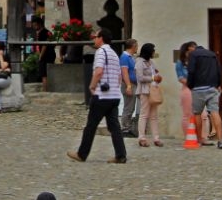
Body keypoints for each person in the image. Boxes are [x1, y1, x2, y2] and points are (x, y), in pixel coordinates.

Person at [67, 28, 127, 164]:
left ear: (101, 38)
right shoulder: (114, 53)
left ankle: (82, 154)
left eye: (95, 36)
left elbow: (99, 71)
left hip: (102, 96)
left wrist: (92, 86)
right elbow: (119, 76)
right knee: (114, 126)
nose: (94, 39)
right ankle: (121, 155)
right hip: (114, 96)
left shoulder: (101, 52)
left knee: (91, 126)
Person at [187, 42, 222, 148]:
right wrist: (217, 84)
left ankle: (199, 139)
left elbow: (191, 71)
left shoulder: (193, 55)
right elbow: (219, 70)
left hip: (198, 88)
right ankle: (220, 139)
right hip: (212, 88)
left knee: (197, 113)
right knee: (215, 112)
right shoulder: (212, 55)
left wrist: (190, 85)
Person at [135, 42, 163, 146]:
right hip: (144, 90)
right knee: (144, 114)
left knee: (154, 115)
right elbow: (140, 77)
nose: (154, 52)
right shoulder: (139, 62)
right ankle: (142, 138)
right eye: (153, 50)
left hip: (153, 89)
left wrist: (158, 76)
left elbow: (155, 73)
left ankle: (156, 138)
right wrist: (152, 78)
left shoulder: (151, 62)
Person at [119, 38, 139, 137]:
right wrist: (128, 86)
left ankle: (128, 127)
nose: (137, 48)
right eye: (136, 46)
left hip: (133, 84)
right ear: (133, 46)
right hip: (129, 84)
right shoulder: (125, 57)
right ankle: (125, 128)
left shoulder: (131, 57)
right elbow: (124, 72)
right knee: (128, 107)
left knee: (131, 107)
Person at [37, 18, 56, 92]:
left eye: (35, 25)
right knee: (49, 73)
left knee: (44, 74)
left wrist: (40, 56)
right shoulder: (48, 32)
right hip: (51, 54)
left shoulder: (42, 33)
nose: (34, 27)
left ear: (39, 24)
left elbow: (44, 45)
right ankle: (48, 89)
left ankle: (45, 90)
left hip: (45, 56)